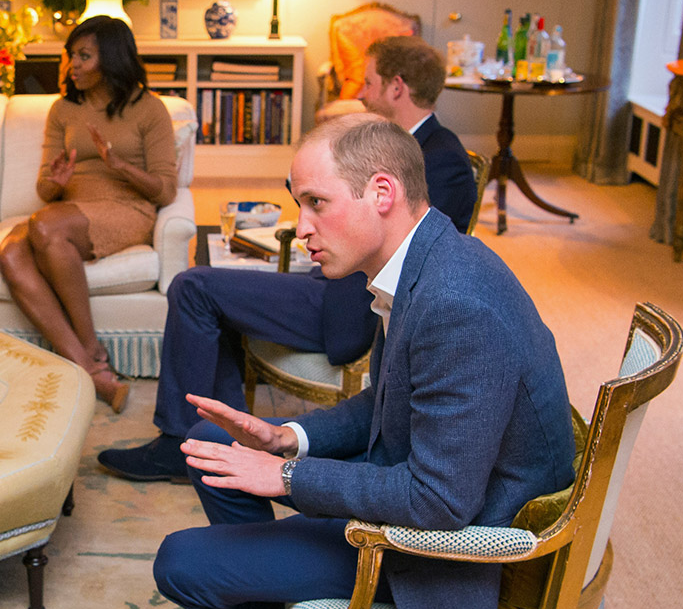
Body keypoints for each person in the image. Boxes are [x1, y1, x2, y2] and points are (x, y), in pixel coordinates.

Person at [151, 115, 576, 609]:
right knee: (207, 444)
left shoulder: (456, 304)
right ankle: (282, 588)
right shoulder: (422, 261)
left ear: (381, 192)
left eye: (316, 203)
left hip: (437, 548)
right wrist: (287, 437)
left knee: (179, 562)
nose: (302, 228)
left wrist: (285, 477)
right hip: (408, 476)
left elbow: (438, 502)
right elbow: (387, 403)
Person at [98, 34, 476, 483]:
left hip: (351, 302)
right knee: (211, 284)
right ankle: (221, 441)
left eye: (369, 82)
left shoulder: (443, 159)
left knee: (194, 285)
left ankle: (180, 444)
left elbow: (415, 262)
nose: (361, 93)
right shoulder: (389, 142)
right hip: (331, 282)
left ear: (397, 87)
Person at [0, 15, 178, 413]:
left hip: (126, 208)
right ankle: (90, 368)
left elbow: (165, 190)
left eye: (83, 55)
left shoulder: (150, 110)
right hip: (67, 211)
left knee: (44, 225)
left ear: (111, 58)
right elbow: (45, 189)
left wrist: (120, 166)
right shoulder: (63, 109)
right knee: (10, 252)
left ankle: (92, 350)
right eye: (70, 55)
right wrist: (56, 181)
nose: (71, 65)